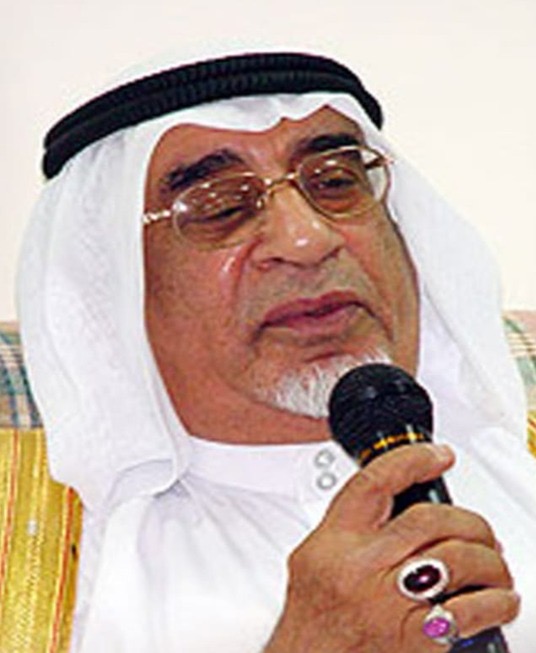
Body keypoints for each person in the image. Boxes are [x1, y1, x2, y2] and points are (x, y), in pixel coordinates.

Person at [13, 49, 536, 652]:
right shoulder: (26, 534)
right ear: (115, 287)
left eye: (336, 183)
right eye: (221, 207)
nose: (306, 239)